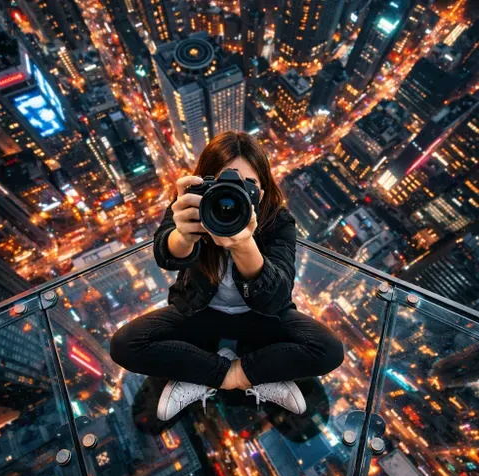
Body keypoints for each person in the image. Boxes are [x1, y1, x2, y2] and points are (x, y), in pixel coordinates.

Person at [109, 132, 344, 420]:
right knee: (125, 344)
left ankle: (202, 375)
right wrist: (183, 235)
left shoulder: (277, 220)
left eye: (250, 186)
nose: (234, 198)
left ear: (265, 188)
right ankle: (251, 375)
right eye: (222, 186)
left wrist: (244, 244)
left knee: (329, 350)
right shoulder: (194, 206)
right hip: (199, 311)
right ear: (204, 184)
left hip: (261, 317)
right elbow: (164, 253)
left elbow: (277, 296)